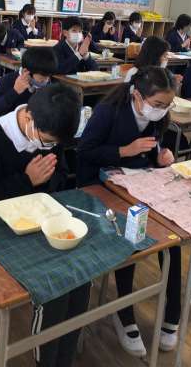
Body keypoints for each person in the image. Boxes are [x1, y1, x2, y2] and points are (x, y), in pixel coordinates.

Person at [0, 84, 89, 367]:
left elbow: (60, 176)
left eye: (55, 143)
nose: (49, 147)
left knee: (82, 275)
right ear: (29, 117)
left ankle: (64, 358)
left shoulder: (51, 132)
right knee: (56, 283)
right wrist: (26, 180)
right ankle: (46, 361)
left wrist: (49, 179)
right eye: (47, 141)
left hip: (42, 223)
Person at [77, 67, 181, 355]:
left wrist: (163, 157)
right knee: (131, 234)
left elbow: (155, 150)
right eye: (157, 104)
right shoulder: (108, 111)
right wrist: (125, 150)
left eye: (167, 105)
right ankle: (124, 313)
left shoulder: (159, 116)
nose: (161, 110)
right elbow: (84, 151)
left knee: (172, 237)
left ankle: (173, 310)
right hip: (99, 183)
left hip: (139, 182)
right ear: (137, 95)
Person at [0, 47, 58, 119]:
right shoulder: (7, 81)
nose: (46, 80)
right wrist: (15, 91)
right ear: (26, 71)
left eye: (49, 76)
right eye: (42, 78)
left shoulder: (51, 84)